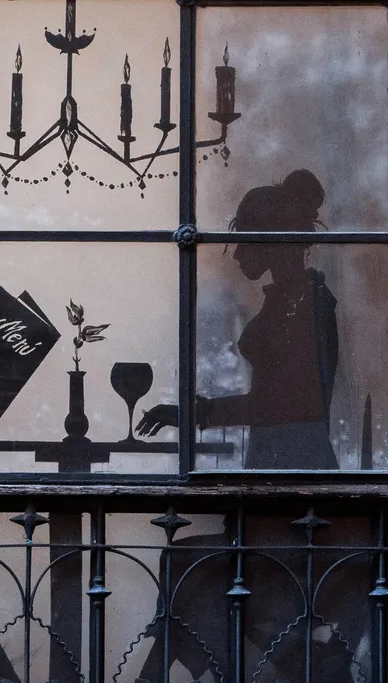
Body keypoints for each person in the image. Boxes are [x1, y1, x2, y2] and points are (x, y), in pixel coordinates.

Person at [139, 169, 340, 470]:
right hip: (284, 456)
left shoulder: (301, 304)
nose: (235, 253)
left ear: (269, 240)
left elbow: (277, 407)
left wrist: (191, 413)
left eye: (244, 236)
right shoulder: (295, 300)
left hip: (292, 462)